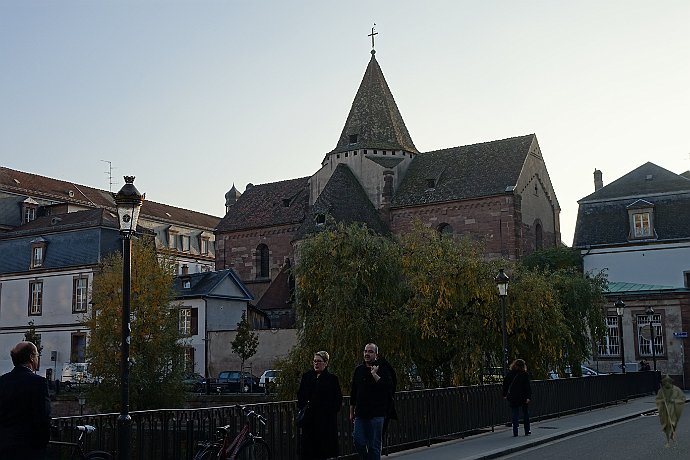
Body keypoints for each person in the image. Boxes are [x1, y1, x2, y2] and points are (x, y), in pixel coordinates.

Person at [0, 341, 52, 460]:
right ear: (31, 358)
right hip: (29, 448)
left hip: (4, 446)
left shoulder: (2, 381)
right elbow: (43, 417)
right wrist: (41, 445)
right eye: (37, 355)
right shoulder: (38, 383)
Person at [350, 343, 393, 460]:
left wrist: (374, 374)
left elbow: (387, 388)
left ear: (376, 354)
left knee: (374, 445)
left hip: (377, 413)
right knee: (358, 440)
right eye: (365, 351)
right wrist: (351, 411)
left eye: (370, 352)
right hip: (361, 413)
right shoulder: (359, 370)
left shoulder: (383, 369)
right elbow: (354, 391)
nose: (367, 354)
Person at [297, 351, 343, 460]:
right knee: (308, 451)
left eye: (319, 361)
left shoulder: (332, 379)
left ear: (326, 363)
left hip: (325, 421)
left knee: (323, 451)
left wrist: (329, 411)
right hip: (309, 421)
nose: (316, 364)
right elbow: (301, 395)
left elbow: (337, 399)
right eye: (315, 361)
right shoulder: (307, 376)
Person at [502, 359, 532, 437]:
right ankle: (527, 430)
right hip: (523, 396)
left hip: (513, 397)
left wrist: (505, 395)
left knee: (515, 414)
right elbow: (527, 387)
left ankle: (515, 432)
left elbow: (505, 385)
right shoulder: (524, 374)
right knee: (525, 414)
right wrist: (528, 397)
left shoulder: (510, 374)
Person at [655, 375, 685, 447]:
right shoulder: (661, 391)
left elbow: (682, 398)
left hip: (674, 409)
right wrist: (662, 401)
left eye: (668, 382)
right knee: (666, 425)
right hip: (665, 410)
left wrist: (674, 400)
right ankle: (667, 440)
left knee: (673, 424)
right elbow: (657, 400)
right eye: (665, 382)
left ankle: (672, 434)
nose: (667, 383)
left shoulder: (676, 390)